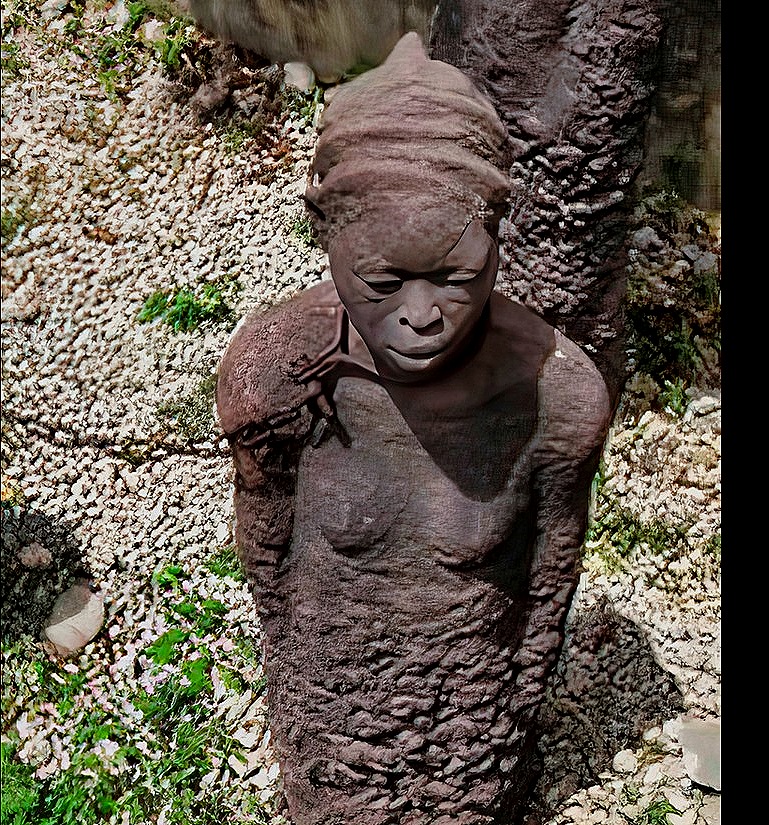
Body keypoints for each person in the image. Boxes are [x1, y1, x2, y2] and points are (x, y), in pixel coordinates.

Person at [216, 32, 611, 825]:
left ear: (498, 234)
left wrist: (503, 720)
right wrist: (300, 690)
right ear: (323, 230)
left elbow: (547, 590)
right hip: (332, 728)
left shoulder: (557, 397)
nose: (422, 315)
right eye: (384, 279)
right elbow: (268, 559)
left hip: (469, 741)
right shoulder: (274, 375)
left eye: (455, 277)